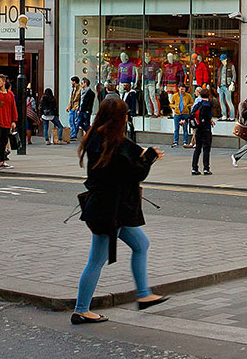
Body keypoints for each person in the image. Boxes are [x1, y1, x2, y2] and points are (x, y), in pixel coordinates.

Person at [70, 97, 164, 324]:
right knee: (96, 260)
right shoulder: (115, 144)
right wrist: (150, 157)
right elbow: (135, 174)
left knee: (141, 244)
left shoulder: (95, 136)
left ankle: (144, 294)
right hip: (110, 212)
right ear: (119, 118)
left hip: (104, 208)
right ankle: (81, 309)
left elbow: (125, 157)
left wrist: (141, 154)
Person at [189, 85, 215, 175]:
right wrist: (210, 120)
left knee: (197, 149)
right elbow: (208, 116)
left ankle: (194, 168)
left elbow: (191, 114)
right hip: (206, 129)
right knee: (206, 149)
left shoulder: (198, 104)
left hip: (198, 129)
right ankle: (206, 169)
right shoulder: (208, 105)